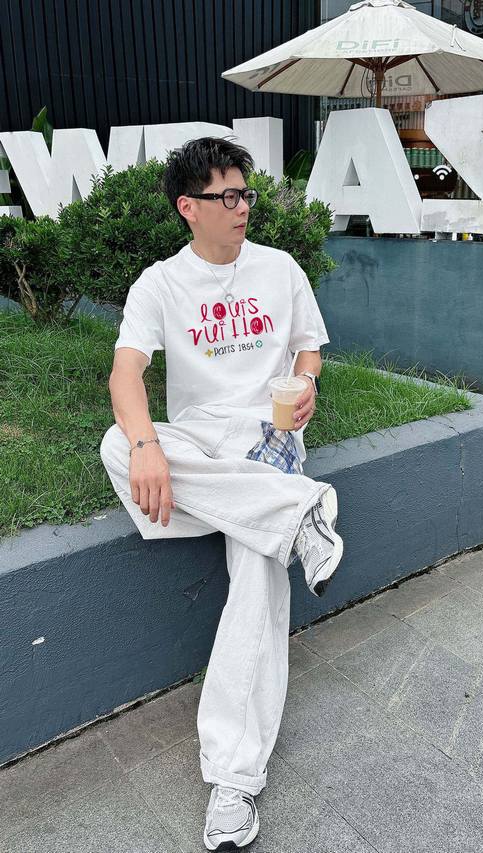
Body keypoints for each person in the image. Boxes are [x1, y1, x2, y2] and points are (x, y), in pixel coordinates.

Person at [99, 136, 344, 851]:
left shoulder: (279, 268)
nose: (242, 207)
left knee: (259, 572)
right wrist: (147, 444)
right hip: (200, 443)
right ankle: (297, 513)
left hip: (268, 439)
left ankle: (233, 780)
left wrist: (306, 382)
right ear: (189, 207)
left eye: (245, 193)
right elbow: (125, 374)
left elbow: (308, 348)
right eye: (226, 196)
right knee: (118, 442)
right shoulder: (161, 284)